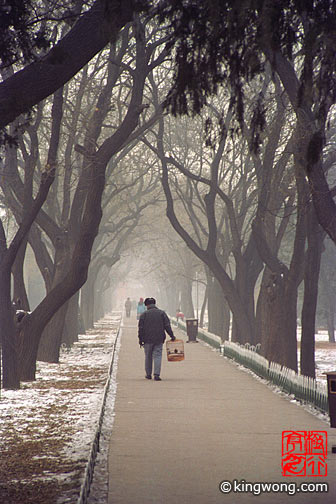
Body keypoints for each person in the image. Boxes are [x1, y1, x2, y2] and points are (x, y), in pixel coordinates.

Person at [138, 297, 175, 381]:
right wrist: (172, 336)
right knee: (158, 356)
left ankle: (148, 374)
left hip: (147, 339)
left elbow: (140, 328)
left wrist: (140, 340)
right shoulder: (162, 313)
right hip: (159, 339)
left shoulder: (144, 315)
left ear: (146, 305)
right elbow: (167, 326)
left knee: (148, 356)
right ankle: (157, 374)